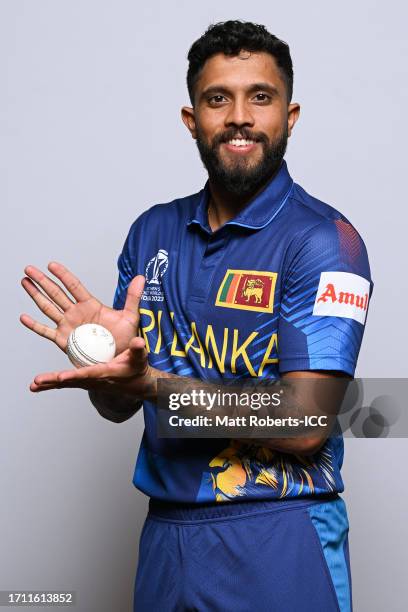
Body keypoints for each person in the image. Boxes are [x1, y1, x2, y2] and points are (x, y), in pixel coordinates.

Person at [21, 20, 373, 612]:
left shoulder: (326, 242)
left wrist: (155, 384)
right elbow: (119, 405)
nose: (239, 116)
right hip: (166, 537)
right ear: (192, 120)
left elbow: (307, 420)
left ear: (289, 117)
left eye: (260, 97)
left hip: (278, 533)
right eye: (218, 98)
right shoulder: (152, 231)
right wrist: (101, 363)